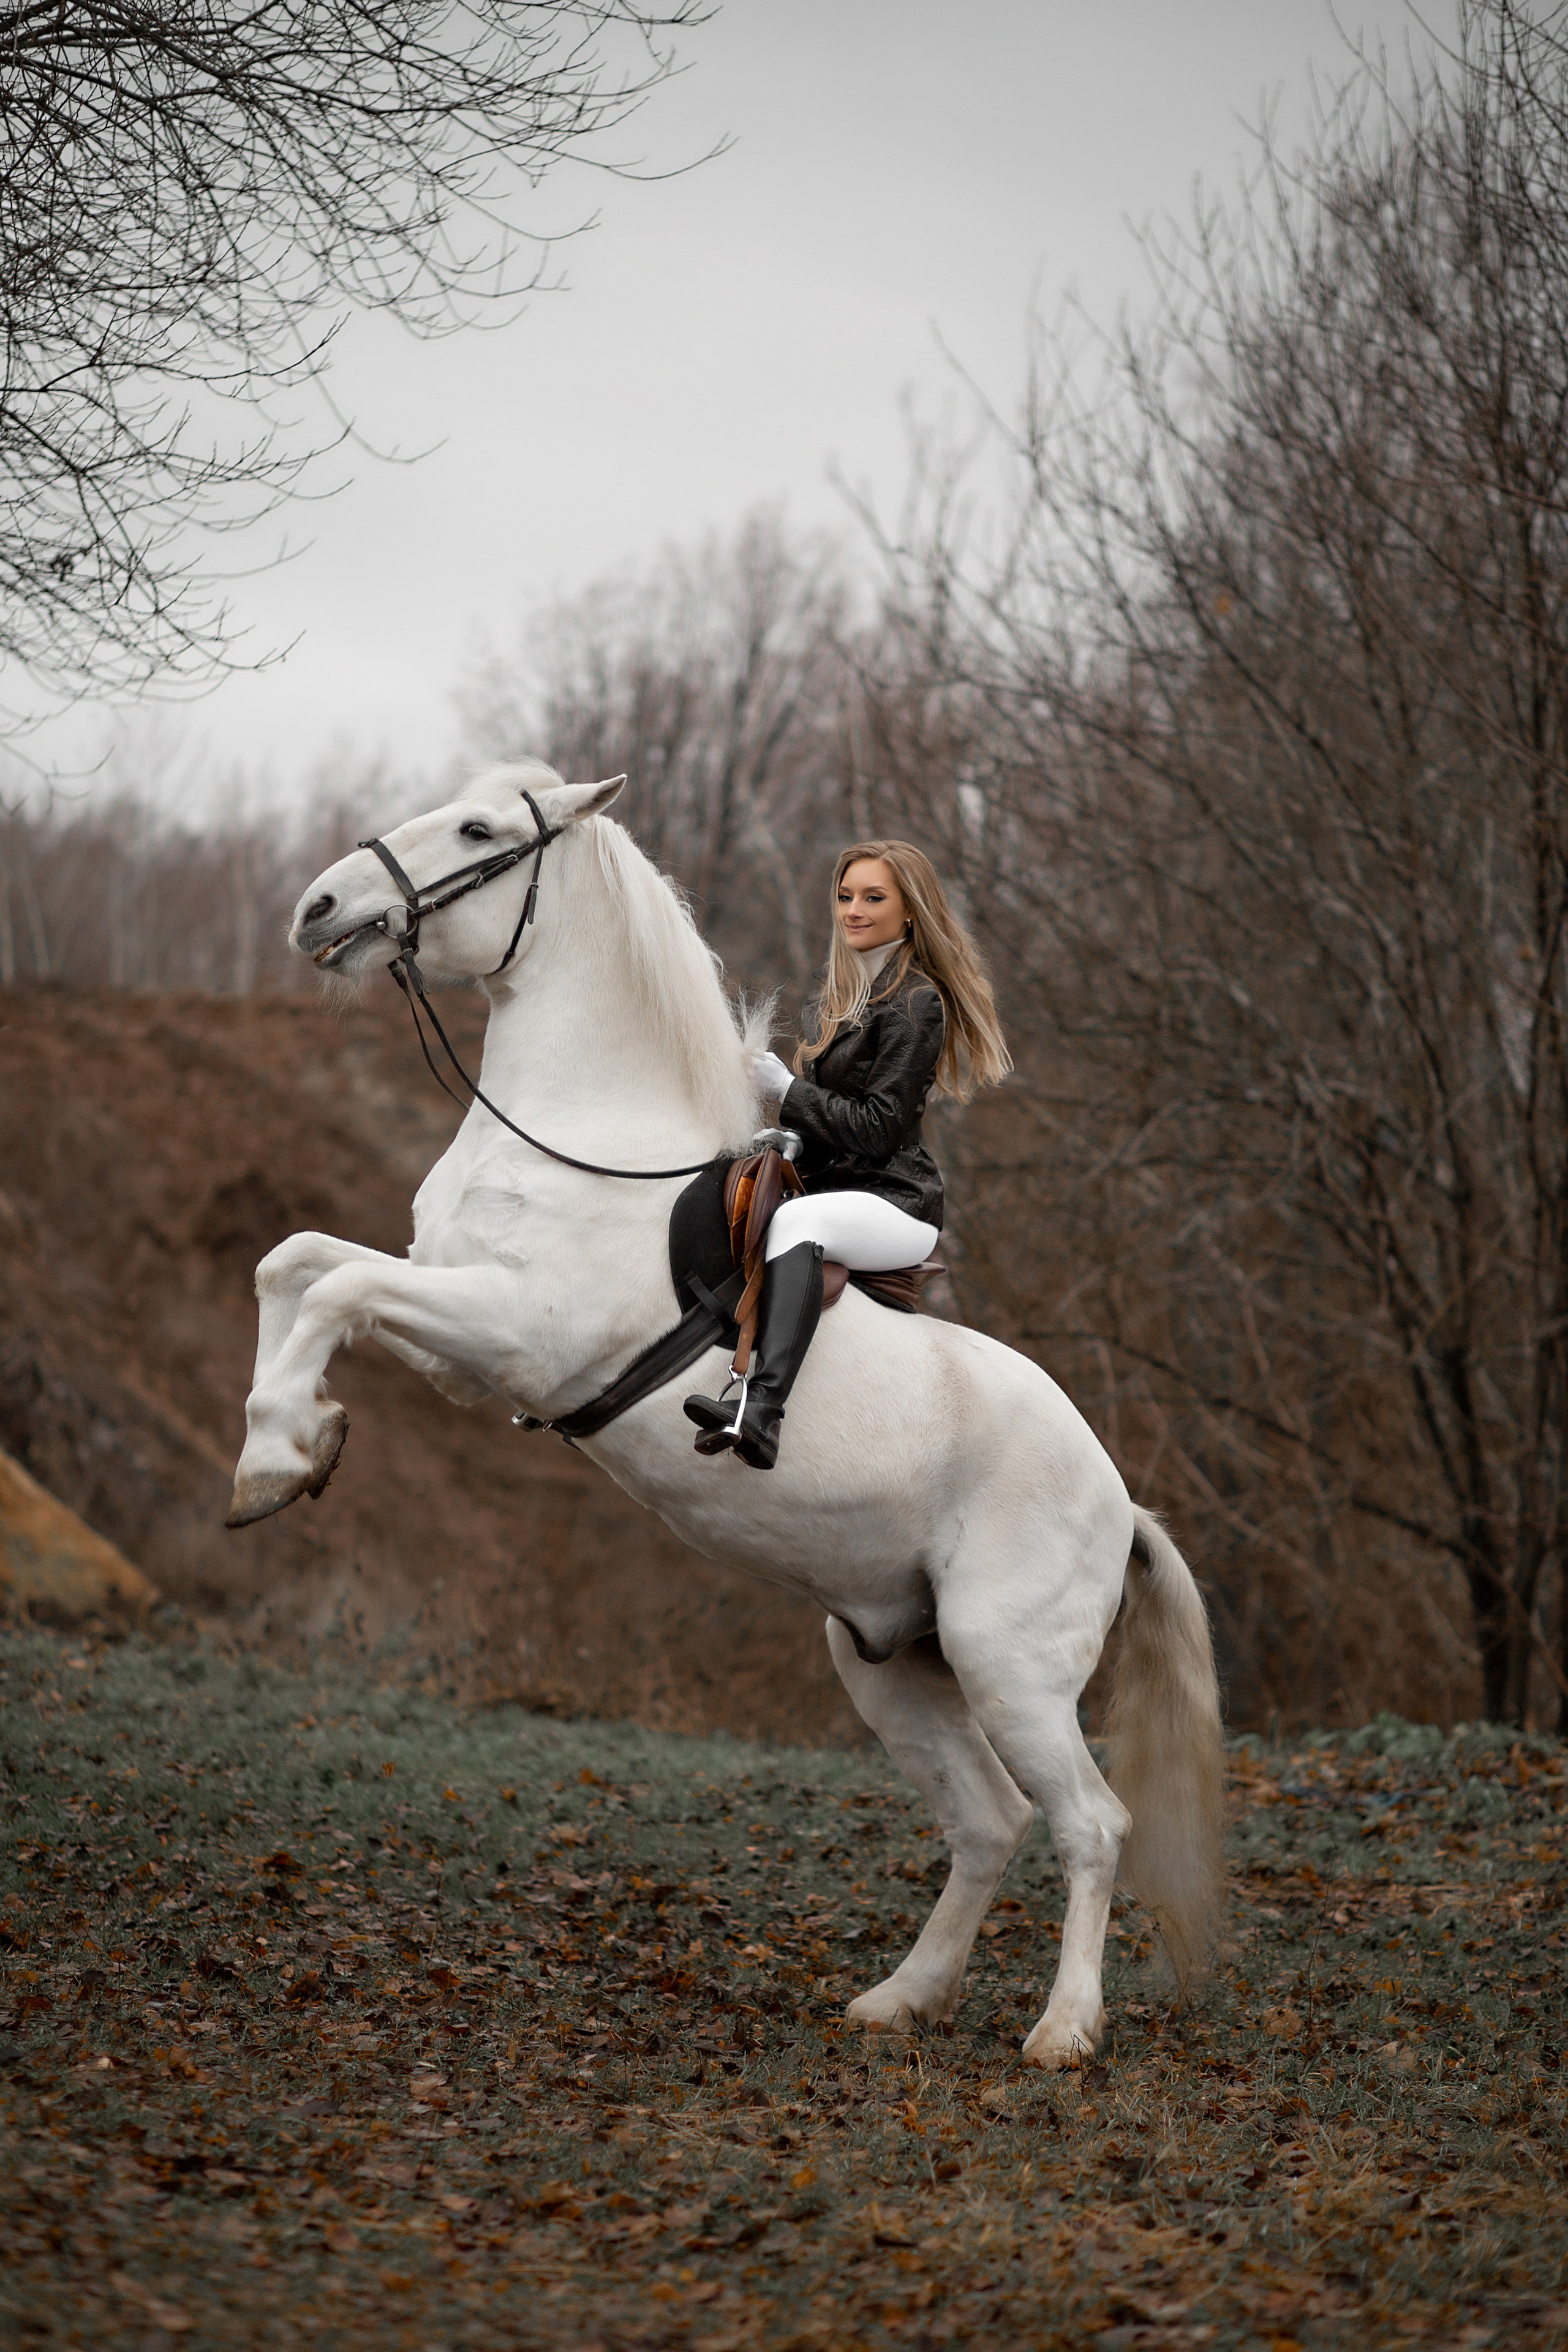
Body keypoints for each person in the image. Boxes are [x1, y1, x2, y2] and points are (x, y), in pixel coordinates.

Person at [684, 838, 1012, 1469]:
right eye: (844, 896)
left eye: (872, 897)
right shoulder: (834, 1002)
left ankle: (763, 1411)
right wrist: (791, 1137)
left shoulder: (918, 1003)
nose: (853, 909)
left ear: (909, 909)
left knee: (794, 1221)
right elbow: (839, 1124)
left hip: (897, 1204)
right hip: (843, 1192)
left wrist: (788, 1092)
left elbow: (880, 1130)